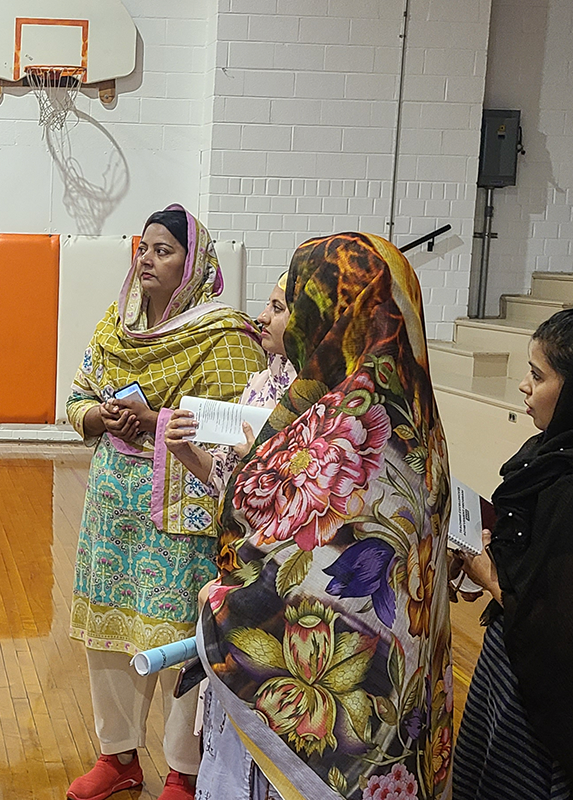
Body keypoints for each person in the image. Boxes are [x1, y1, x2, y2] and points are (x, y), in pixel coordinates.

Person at [196, 233, 452, 799]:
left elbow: (291, 570)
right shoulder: (419, 423)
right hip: (389, 691)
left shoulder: (344, 425)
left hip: (319, 710)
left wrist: (219, 610)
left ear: (335, 312)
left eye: (300, 300)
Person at [64, 205, 266, 800]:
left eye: (164, 250)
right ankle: (119, 757)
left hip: (183, 509)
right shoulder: (114, 324)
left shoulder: (225, 335)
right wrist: (101, 415)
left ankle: (183, 768)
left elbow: (244, 430)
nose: (147, 258)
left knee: (182, 634)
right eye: (144, 248)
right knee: (109, 631)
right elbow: (76, 397)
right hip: (113, 504)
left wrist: (156, 420)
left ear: (193, 263)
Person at [452, 309, 573, 800]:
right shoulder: (548, 453)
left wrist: (492, 578)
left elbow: (559, 626)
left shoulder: (566, 488)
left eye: (538, 375)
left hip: (540, 701)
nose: (524, 386)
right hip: (509, 665)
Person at [162, 272, 297, 495]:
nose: (262, 317)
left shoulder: (332, 396)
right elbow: (223, 476)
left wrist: (260, 463)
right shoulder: (260, 384)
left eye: (278, 308)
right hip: (248, 528)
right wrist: (182, 449)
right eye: (267, 305)